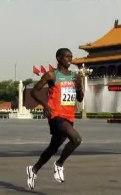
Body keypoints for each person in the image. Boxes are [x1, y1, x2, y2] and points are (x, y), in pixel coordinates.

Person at [26, 49, 84, 190]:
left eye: (71, 57)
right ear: (58, 58)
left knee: (53, 147)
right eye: (67, 56)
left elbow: (80, 99)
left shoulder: (74, 77)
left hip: (69, 116)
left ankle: (33, 170)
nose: (70, 59)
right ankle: (59, 164)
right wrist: (45, 105)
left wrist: (80, 87)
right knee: (76, 139)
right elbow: (34, 91)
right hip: (56, 115)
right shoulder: (52, 75)